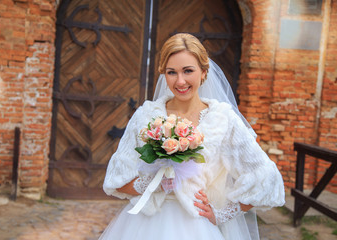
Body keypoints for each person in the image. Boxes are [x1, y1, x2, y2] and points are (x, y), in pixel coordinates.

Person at [100, 33, 285, 240]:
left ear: (204, 72)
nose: (180, 81)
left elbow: (266, 178)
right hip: (142, 226)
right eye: (172, 72)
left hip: (196, 228)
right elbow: (116, 180)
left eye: (188, 71)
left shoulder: (222, 119)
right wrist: (155, 182)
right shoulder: (146, 116)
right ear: (164, 74)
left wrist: (222, 214)